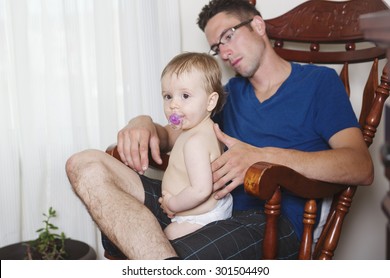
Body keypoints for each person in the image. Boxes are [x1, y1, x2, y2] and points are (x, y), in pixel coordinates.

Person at [66, 0, 373, 260]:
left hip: (270, 220)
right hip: (201, 205)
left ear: (257, 25)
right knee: (85, 164)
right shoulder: (229, 93)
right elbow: (175, 133)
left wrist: (263, 156)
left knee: (141, 247)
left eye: (228, 36)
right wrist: (144, 123)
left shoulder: (319, 84)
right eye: (216, 47)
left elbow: (360, 167)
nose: (224, 53)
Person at [158, 52, 232, 240]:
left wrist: (173, 203)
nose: (173, 104)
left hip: (203, 216)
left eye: (185, 95)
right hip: (199, 209)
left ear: (210, 101)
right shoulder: (200, 128)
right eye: (168, 96)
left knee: (168, 237)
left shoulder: (195, 141)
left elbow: (201, 190)